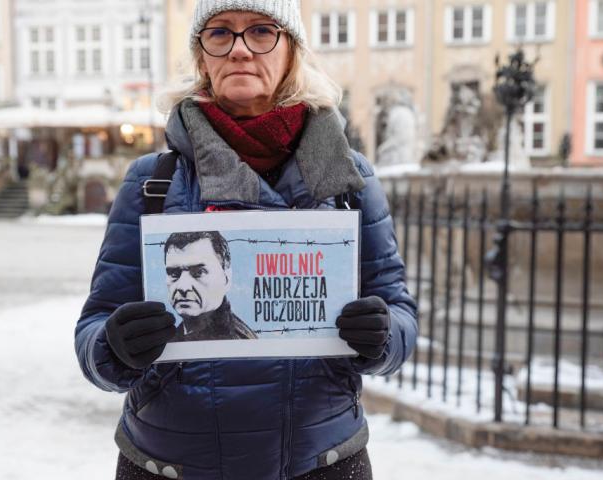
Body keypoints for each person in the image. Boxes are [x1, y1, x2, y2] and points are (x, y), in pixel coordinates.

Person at [74, 1, 418, 479]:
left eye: (261, 31)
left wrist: (382, 336)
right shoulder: (152, 182)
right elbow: (94, 328)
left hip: (319, 462)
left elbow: (400, 312)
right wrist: (113, 347)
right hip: (170, 464)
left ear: (291, 51)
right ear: (202, 57)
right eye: (220, 33)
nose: (239, 49)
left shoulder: (349, 178)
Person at [164, 231, 257, 341]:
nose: (183, 287)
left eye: (199, 272)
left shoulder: (238, 342)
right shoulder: (172, 338)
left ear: (226, 278)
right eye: (174, 273)